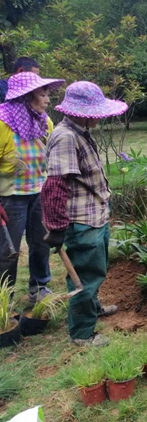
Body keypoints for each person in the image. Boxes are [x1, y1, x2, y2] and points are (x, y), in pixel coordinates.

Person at [41, 81, 127, 347]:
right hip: (81, 221)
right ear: (81, 112)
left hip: (95, 214)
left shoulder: (80, 132)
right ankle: (82, 334)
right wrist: (55, 227)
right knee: (86, 275)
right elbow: (55, 185)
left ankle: (93, 308)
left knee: (95, 270)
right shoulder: (66, 136)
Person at [0, 71, 64, 300]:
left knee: (40, 242)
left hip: (39, 192)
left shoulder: (43, 120)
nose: (48, 100)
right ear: (26, 97)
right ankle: (3, 298)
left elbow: (52, 154)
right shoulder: (2, 122)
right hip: (10, 196)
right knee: (8, 250)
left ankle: (39, 287)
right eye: (43, 94)